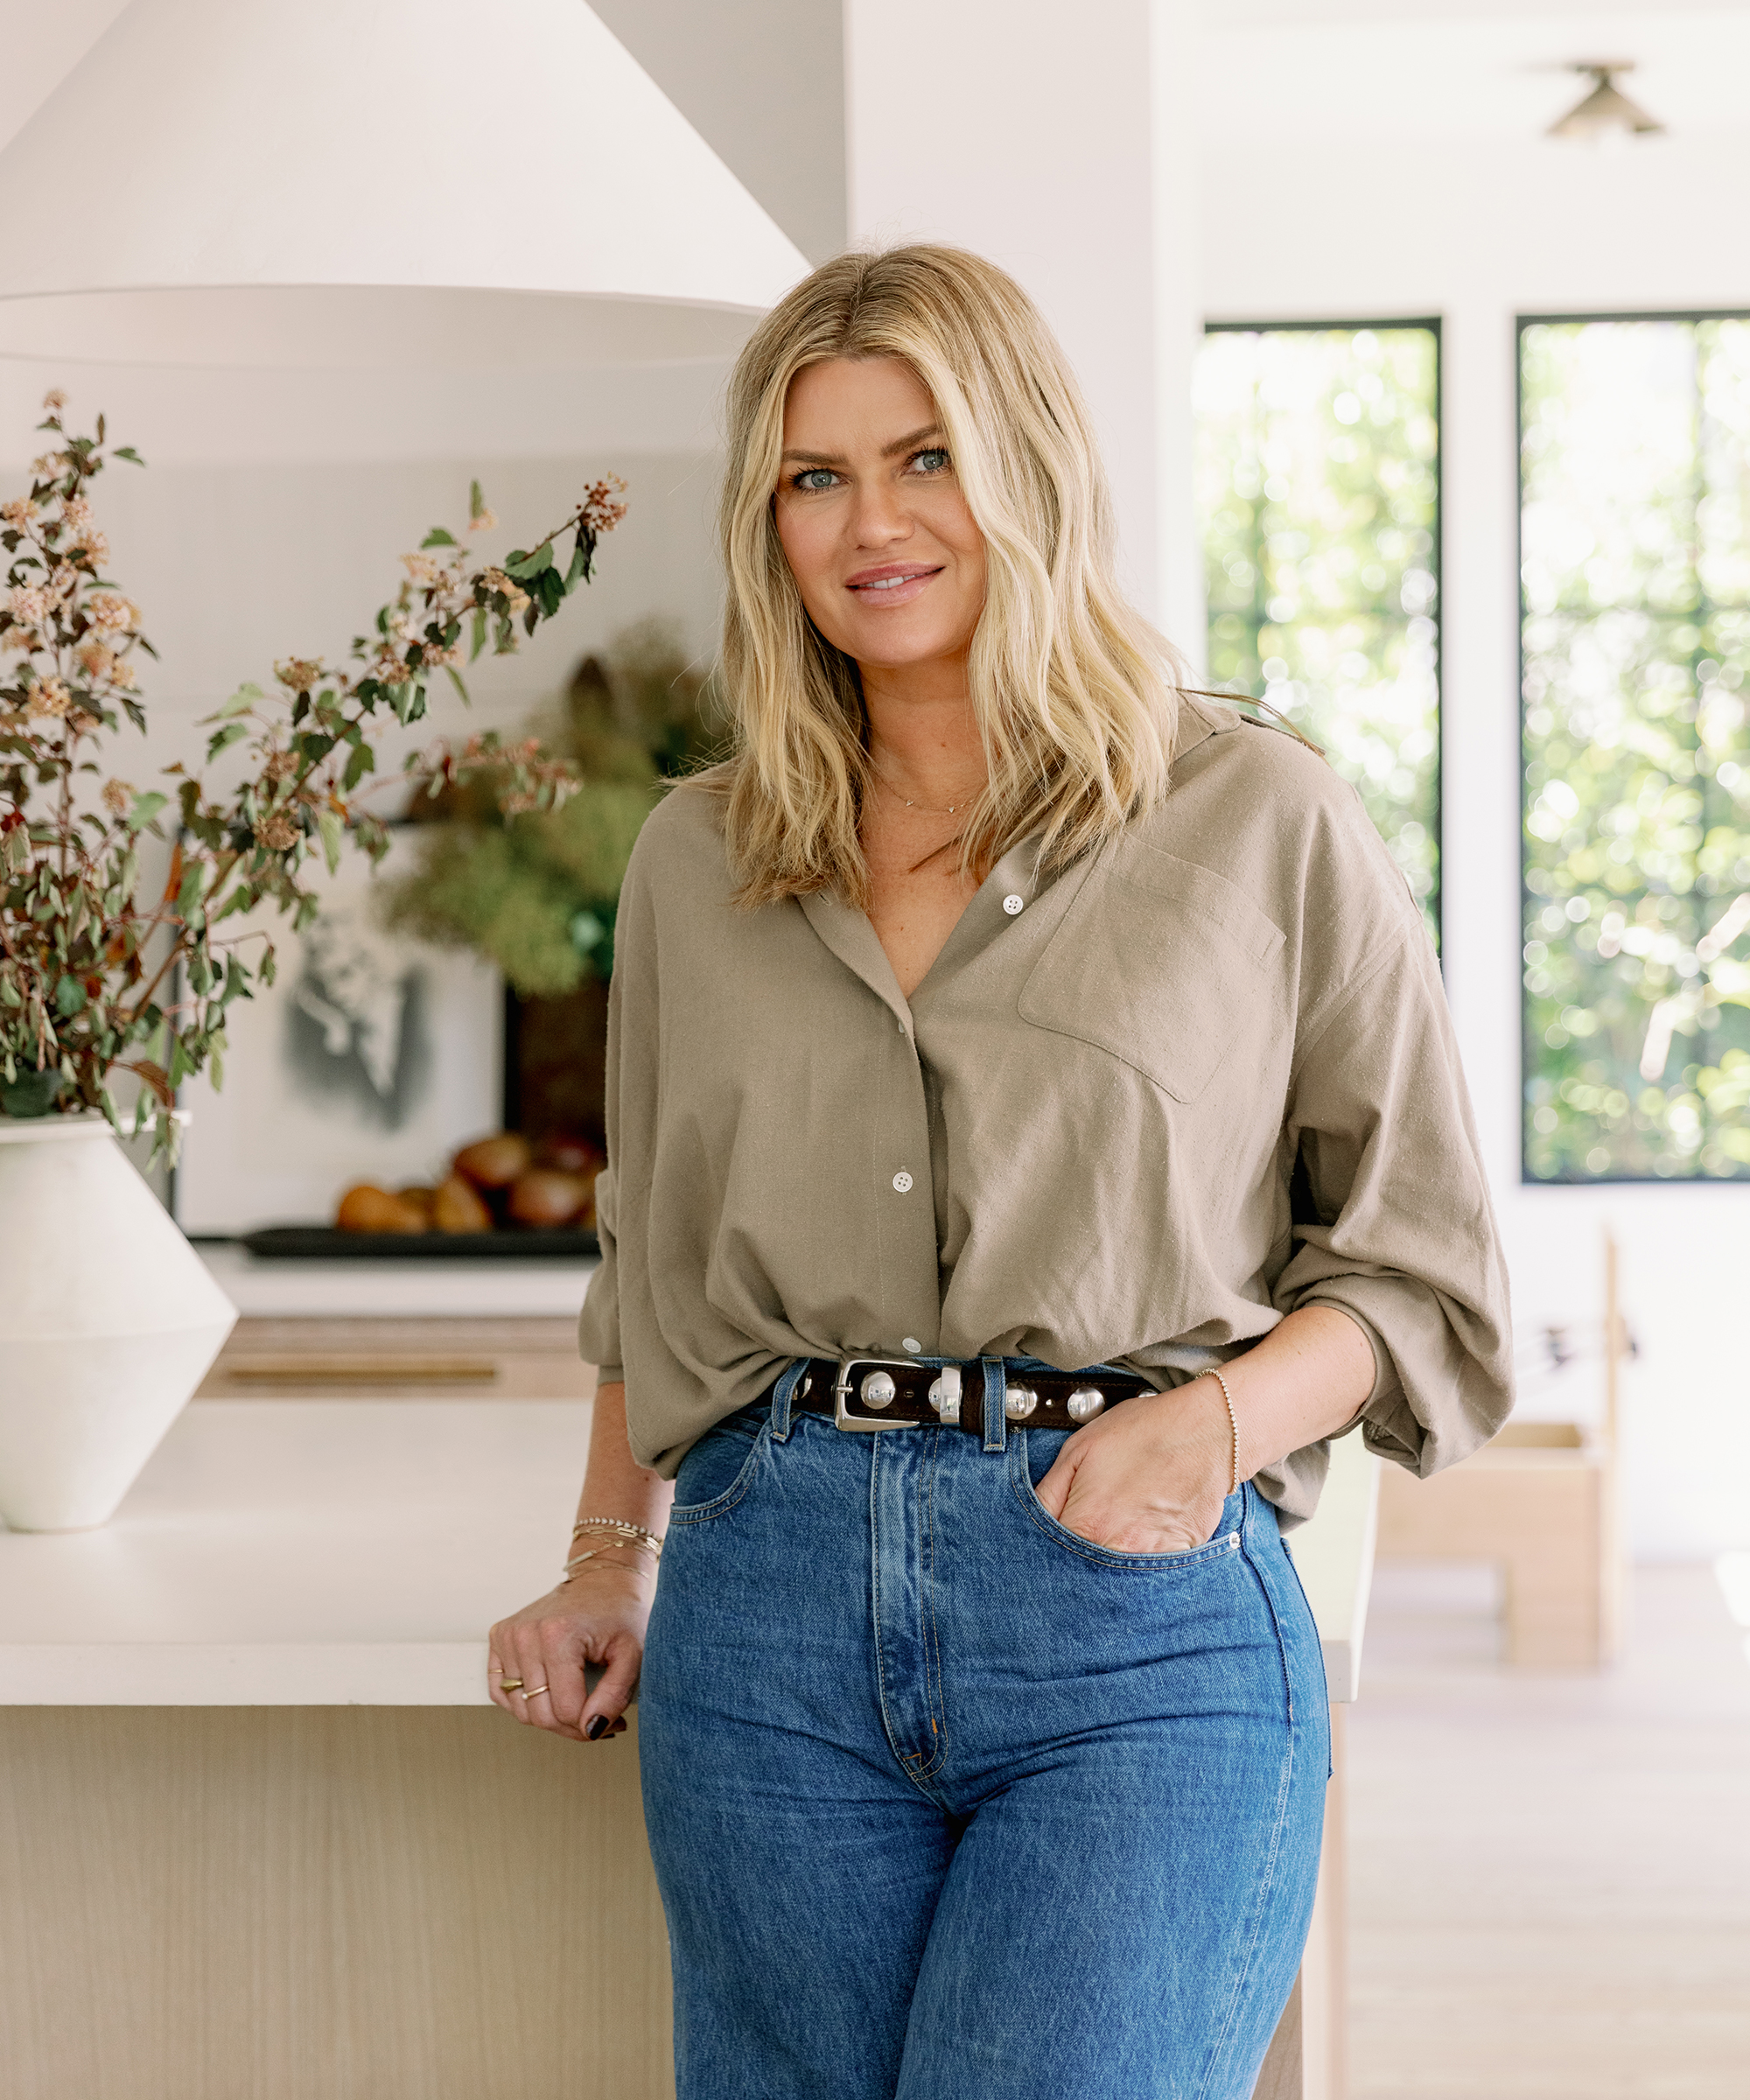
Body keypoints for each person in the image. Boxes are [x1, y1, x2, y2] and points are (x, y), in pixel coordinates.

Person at [488, 245, 1513, 2099]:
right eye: (814, 477)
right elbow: (655, 1263)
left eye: (924, 456)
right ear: (766, 521)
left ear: (1025, 467)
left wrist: (1211, 1426)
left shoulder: (1252, 815)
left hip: (1131, 1630)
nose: (870, 522)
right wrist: (596, 1565)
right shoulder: (696, 858)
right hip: (763, 1625)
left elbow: (1421, 1270)